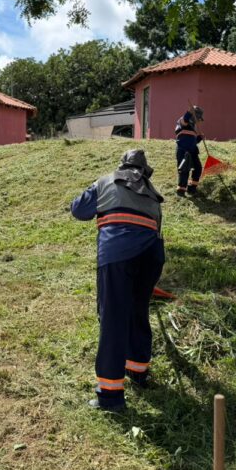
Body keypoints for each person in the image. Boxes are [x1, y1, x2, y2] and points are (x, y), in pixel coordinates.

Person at [70, 150, 165, 412]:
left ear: (122, 165)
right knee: (138, 310)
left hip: (118, 254)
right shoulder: (153, 193)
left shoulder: (105, 181)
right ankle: (138, 371)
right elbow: (156, 232)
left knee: (113, 319)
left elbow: (78, 210)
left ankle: (110, 397)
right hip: (152, 257)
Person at [175, 105, 205, 196]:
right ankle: (181, 190)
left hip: (193, 150)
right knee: (184, 169)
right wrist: (189, 112)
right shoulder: (182, 122)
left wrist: (199, 138)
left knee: (198, 168)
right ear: (193, 116)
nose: (197, 120)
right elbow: (185, 119)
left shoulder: (192, 127)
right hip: (183, 150)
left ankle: (192, 188)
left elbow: (193, 141)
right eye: (197, 118)